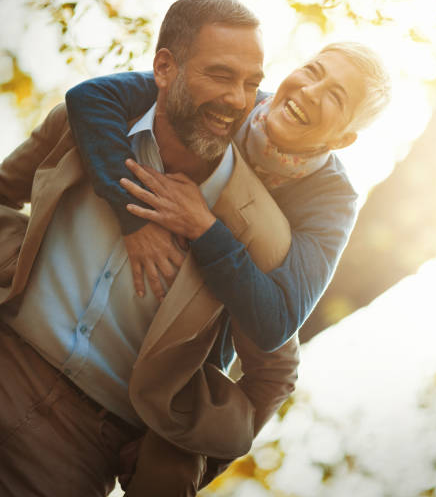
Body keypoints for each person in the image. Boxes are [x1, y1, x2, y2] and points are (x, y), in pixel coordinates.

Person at [0, 0, 300, 497]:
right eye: (221, 75)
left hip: (82, 448)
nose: (239, 99)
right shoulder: (82, 130)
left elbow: (273, 371)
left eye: (251, 83)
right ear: (165, 67)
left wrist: (192, 456)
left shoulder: (259, 229)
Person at [66, 40, 390, 355]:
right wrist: (133, 216)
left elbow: (277, 323)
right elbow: (93, 96)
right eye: (313, 71)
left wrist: (204, 229)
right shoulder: (230, 94)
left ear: (343, 139)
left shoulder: (333, 199)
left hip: (166, 356)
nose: (310, 91)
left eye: (335, 96)